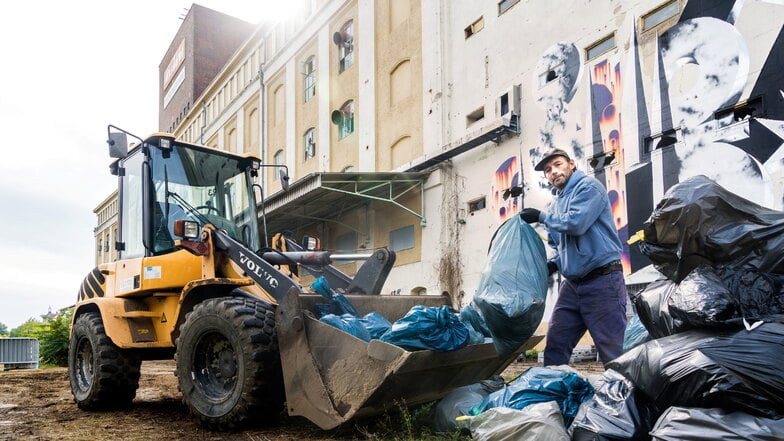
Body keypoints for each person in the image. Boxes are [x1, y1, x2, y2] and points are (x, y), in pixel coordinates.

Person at [518, 148, 627, 366]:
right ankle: (551, 397)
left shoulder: (589, 187)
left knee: (614, 353)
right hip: (573, 286)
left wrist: (540, 216)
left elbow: (576, 224)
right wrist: (552, 265)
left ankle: (626, 398)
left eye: (558, 164)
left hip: (603, 281)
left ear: (571, 164)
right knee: (556, 346)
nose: (553, 172)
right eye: (548, 170)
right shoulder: (556, 205)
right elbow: (560, 246)